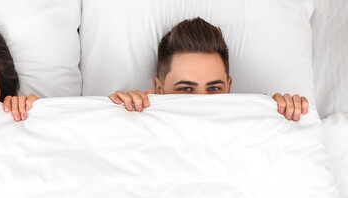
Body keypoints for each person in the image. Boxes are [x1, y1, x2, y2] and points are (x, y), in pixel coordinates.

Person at [108, 17, 309, 122]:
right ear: (159, 89)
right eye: (185, 89)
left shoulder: (253, 122)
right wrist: (119, 116)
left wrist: (283, 115)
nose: (201, 102)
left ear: (229, 87)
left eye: (213, 89)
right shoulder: (137, 123)